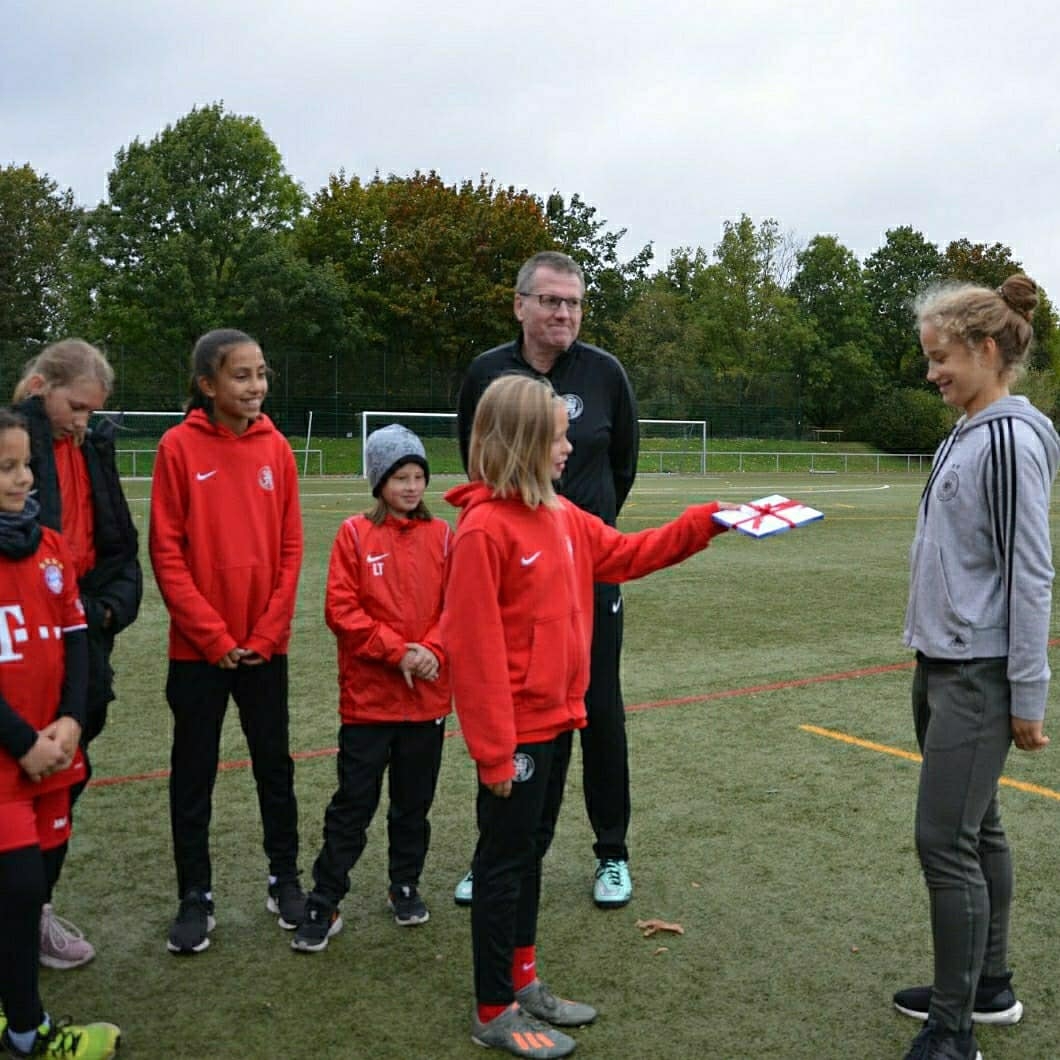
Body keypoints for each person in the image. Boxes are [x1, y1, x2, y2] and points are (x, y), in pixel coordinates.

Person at [442, 375, 733, 1058]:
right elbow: (475, 653)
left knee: (531, 854)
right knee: (502, 862)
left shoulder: (564, 517)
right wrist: (491, 753)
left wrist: (708, 521)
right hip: (513, 736)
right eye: (558, 434)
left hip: (557, 720)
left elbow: (626, 555)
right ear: (523, 442)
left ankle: (524, 983)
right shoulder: (484, 529)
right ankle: (493, 1009)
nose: (570, 446)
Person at [894, 275, 1057, 1060]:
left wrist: (1028, 692)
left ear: (987, 350)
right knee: (977, 827)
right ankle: (984, 986)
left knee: (944, 843)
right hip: (943, 662)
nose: (932, 372)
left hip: (978, 674)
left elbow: (1030, 572)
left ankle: (955, 1032)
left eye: (943, 357)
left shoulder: (1007, 440)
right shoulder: (970, 428)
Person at [455, 250, 640, 910]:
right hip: (515, 578)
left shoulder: (605, 374)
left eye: (575, 303)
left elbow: (622, 469)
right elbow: (477, 462)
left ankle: (611, 852)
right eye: (552, 301)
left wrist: (573, 532)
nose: (564, 313)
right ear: (520, 305)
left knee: (600, 712)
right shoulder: (486, 374)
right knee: (508, 708)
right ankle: (496, 850)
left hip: (587, 569)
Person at [149, 328, 304, 956]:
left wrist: (265, 634)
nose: (256, 386)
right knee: (193, 776)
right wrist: (213, 637)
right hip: (199, 654)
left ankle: (284, 879)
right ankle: (196, 897)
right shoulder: (177, 448)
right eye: (241, 375)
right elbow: (166, 553)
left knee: (275, 768)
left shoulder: (278, 449)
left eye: (261, 373)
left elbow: (292, 550)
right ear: (207, 385)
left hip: (266, 651)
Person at [292, 425, 451, 952]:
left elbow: (459, 606)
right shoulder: (354, 534)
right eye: (399, 477)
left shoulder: (444, 536)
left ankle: (404, 884)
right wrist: (397, 650)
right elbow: (340, 610)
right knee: (352, 805)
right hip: (368, 704)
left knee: (413, 804)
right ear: (378, 482)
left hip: (426, 700)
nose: (410, 486)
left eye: (418, 476)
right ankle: (326, 896)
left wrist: (433, 650)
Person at [12, 339, 142, 971]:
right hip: (20, 640)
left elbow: (120, 546)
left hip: (80, 634)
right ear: (39, 388)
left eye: (94, 410)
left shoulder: (92, 447)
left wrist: (108, 610)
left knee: (67, 769)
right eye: (77, 406)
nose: (84, 420)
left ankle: (33, 911)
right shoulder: (15, 449)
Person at [0, 408, 122, 1060]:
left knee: (35, 884)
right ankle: (28, 1031)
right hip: (11, 760)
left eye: (25, 464)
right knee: (18, 893)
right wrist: (23, 742)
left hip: (54, 750)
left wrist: (72, 720)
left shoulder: (47, 546)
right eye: (7, 468)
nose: (24, 478)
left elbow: (76, 638)